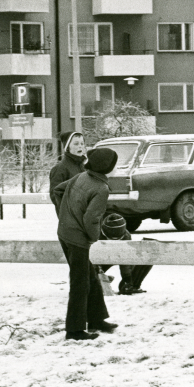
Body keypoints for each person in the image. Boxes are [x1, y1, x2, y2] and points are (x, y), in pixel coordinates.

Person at [52, 147, 119, 341]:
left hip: (65, 233)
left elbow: (58, 190)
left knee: (90, 277)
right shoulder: (101, 188)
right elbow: (91, 219)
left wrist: (65, 216)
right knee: (80, 283)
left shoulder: (82, 177)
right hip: (78, 239)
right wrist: (93, 237)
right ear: (107, 167)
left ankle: (96, 319)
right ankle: (74, 330)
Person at [98, 213, 153, 295]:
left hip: (117, 255)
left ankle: (132, 285)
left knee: (148, 253)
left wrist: (127, 279)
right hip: (100, 258)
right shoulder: (96, 234)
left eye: (118, 239)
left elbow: (125, 259)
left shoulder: (126, 236)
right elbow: (89, 257)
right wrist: (98, 271)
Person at [49, 131, 86, 214]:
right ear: (67, 147)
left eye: (82, 143)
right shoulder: (59, 169)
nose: (80, 146)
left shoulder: (84, 166)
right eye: (76, 144)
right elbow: (55, 195)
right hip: (70, 217)